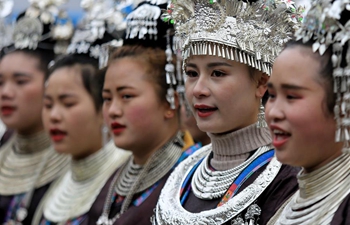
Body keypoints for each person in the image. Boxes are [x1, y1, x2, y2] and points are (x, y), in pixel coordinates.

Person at [152, 0, 304, 224]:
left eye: (218, 73)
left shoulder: (289, 178)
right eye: (192, 73)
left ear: (262, 82)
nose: (199, 89)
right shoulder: (183, 175)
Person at [96, 1, 201, 224]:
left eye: (127, 96)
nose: (113, 110)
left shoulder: (192, 180)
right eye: (107, 98)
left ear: (169, 102)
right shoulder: (114, 179)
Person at [265, 0, 350, 224]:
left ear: (344, 106)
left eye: (291, 96)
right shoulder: (283, 203)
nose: (273, 112)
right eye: (271, 95)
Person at [0, 1, 72, 224]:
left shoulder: (73, 156)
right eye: (0, 82)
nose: (6, 92)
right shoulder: (5, 143)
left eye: (21, 82)